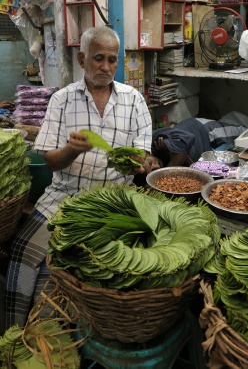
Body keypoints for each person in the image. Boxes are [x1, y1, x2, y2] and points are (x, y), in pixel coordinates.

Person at [4, 26, 152, 329]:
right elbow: (49, 159)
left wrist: (141, 164)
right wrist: (71, 149)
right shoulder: (62, 99)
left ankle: (58, 328)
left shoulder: (133, 100)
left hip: (114, 199)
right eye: (99, 58)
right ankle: (14, 332)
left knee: (73, 263)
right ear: (82, 59)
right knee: (22, 250)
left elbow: (142, 156)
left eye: (112, 60)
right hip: (64, 194)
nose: (106, 67)